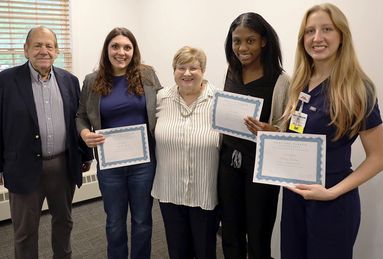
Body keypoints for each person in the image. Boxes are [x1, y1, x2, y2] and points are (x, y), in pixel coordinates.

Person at [280, 3, 383, 259]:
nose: (317, 38)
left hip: (333, 201)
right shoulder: (299, 83)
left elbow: (379, 158)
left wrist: (331, 193)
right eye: (309, 31)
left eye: (326, 29)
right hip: (294, 198)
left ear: (342, 36)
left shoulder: (358, 88)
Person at [0, 26, 93, 259]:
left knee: (64, 222)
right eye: (37, 45)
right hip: (22, 166)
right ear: (26, 50)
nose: (44, 50)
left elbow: (78, 118)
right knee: (25, 231)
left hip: (62, 166)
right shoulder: (6, 81)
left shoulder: (70, 80)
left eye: (49, 46)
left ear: (57, 51)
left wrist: (85, 155)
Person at [76, 27, 162, 259]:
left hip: (144, 164)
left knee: (142, 220)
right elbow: (81, 116)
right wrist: (84, 133)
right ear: (107, 50)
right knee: (114, 222)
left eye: (127, 47)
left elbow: (164, 106)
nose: (121, 52)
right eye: (115, 46)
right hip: (109, 164)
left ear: (134, 51)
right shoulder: (92, 80)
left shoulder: (148, 75)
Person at [218, 12, 290, 259]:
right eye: (237, 41)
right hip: (228, 164)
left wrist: (273, 132)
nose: (242, 47)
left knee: (258, 236)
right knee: (230, 232)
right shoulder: (231, 72)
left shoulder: (280, 81)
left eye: (250, 40)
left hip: (261, 170)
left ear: (264, 42)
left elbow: (289, 130)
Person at [151, 46, 220, 259]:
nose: (187, 73)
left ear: (203, 70)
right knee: (177, 250)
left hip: (204, 191)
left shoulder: (219, 100)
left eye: (194, 68)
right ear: (174, 71)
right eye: (181, 67)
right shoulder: (161, 98)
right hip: (170, 191)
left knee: (205, 250)